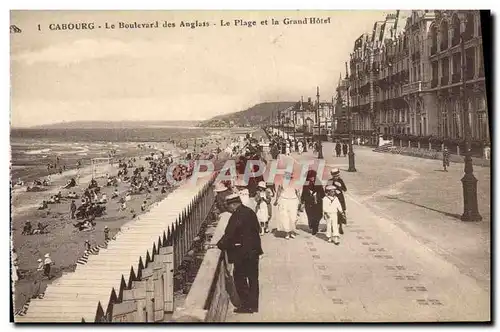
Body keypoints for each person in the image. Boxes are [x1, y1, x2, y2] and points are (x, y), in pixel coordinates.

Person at [217, 194, 263, 314]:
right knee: (253, 278)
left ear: (233, 204)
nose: (229, 210)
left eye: (229, 207)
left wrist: (219, 245)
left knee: (239, 277)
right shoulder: (249, 212)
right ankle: (254, 305)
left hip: (242, 253)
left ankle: (246, 305)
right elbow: (257, 228)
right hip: (254, 251)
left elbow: (230, 234)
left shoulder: (237, 215)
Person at [273, 171, 300, 239]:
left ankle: (292, 231)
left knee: (293, 218)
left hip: (293, 201)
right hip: (284, 201)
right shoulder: (282, 182)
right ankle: (287, 233)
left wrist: (300, 202)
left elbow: (298, 193)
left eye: (290, 176)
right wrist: (276, 200)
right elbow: (279, 191)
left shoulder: (295, 183)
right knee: (285, 217)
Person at [300, 170, 325, 235]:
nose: (311, 178)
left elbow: (322, 192)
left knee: (319, 215)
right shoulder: (306, 183)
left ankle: (315, 226)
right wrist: (302, 201)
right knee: (310, 215)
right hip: (309, 202)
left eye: (313, 177)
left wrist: (323, 197)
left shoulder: (318, 182)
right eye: (310, 177)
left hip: (318, 201)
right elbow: (304, 192)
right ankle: (312, 226)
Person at [326, 168, 348, 234]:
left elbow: (345, 189)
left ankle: (340, 226)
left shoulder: (340, 180)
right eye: (335, 176)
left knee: (341, 212)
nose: (337, 177)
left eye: (338, 175)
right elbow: (326, 190)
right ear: (333, 176)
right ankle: (333, 226)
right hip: (332, 199)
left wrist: (340, 185)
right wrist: (334, 190)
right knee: (333, 213)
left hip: (340, 198)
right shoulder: (330, 181)